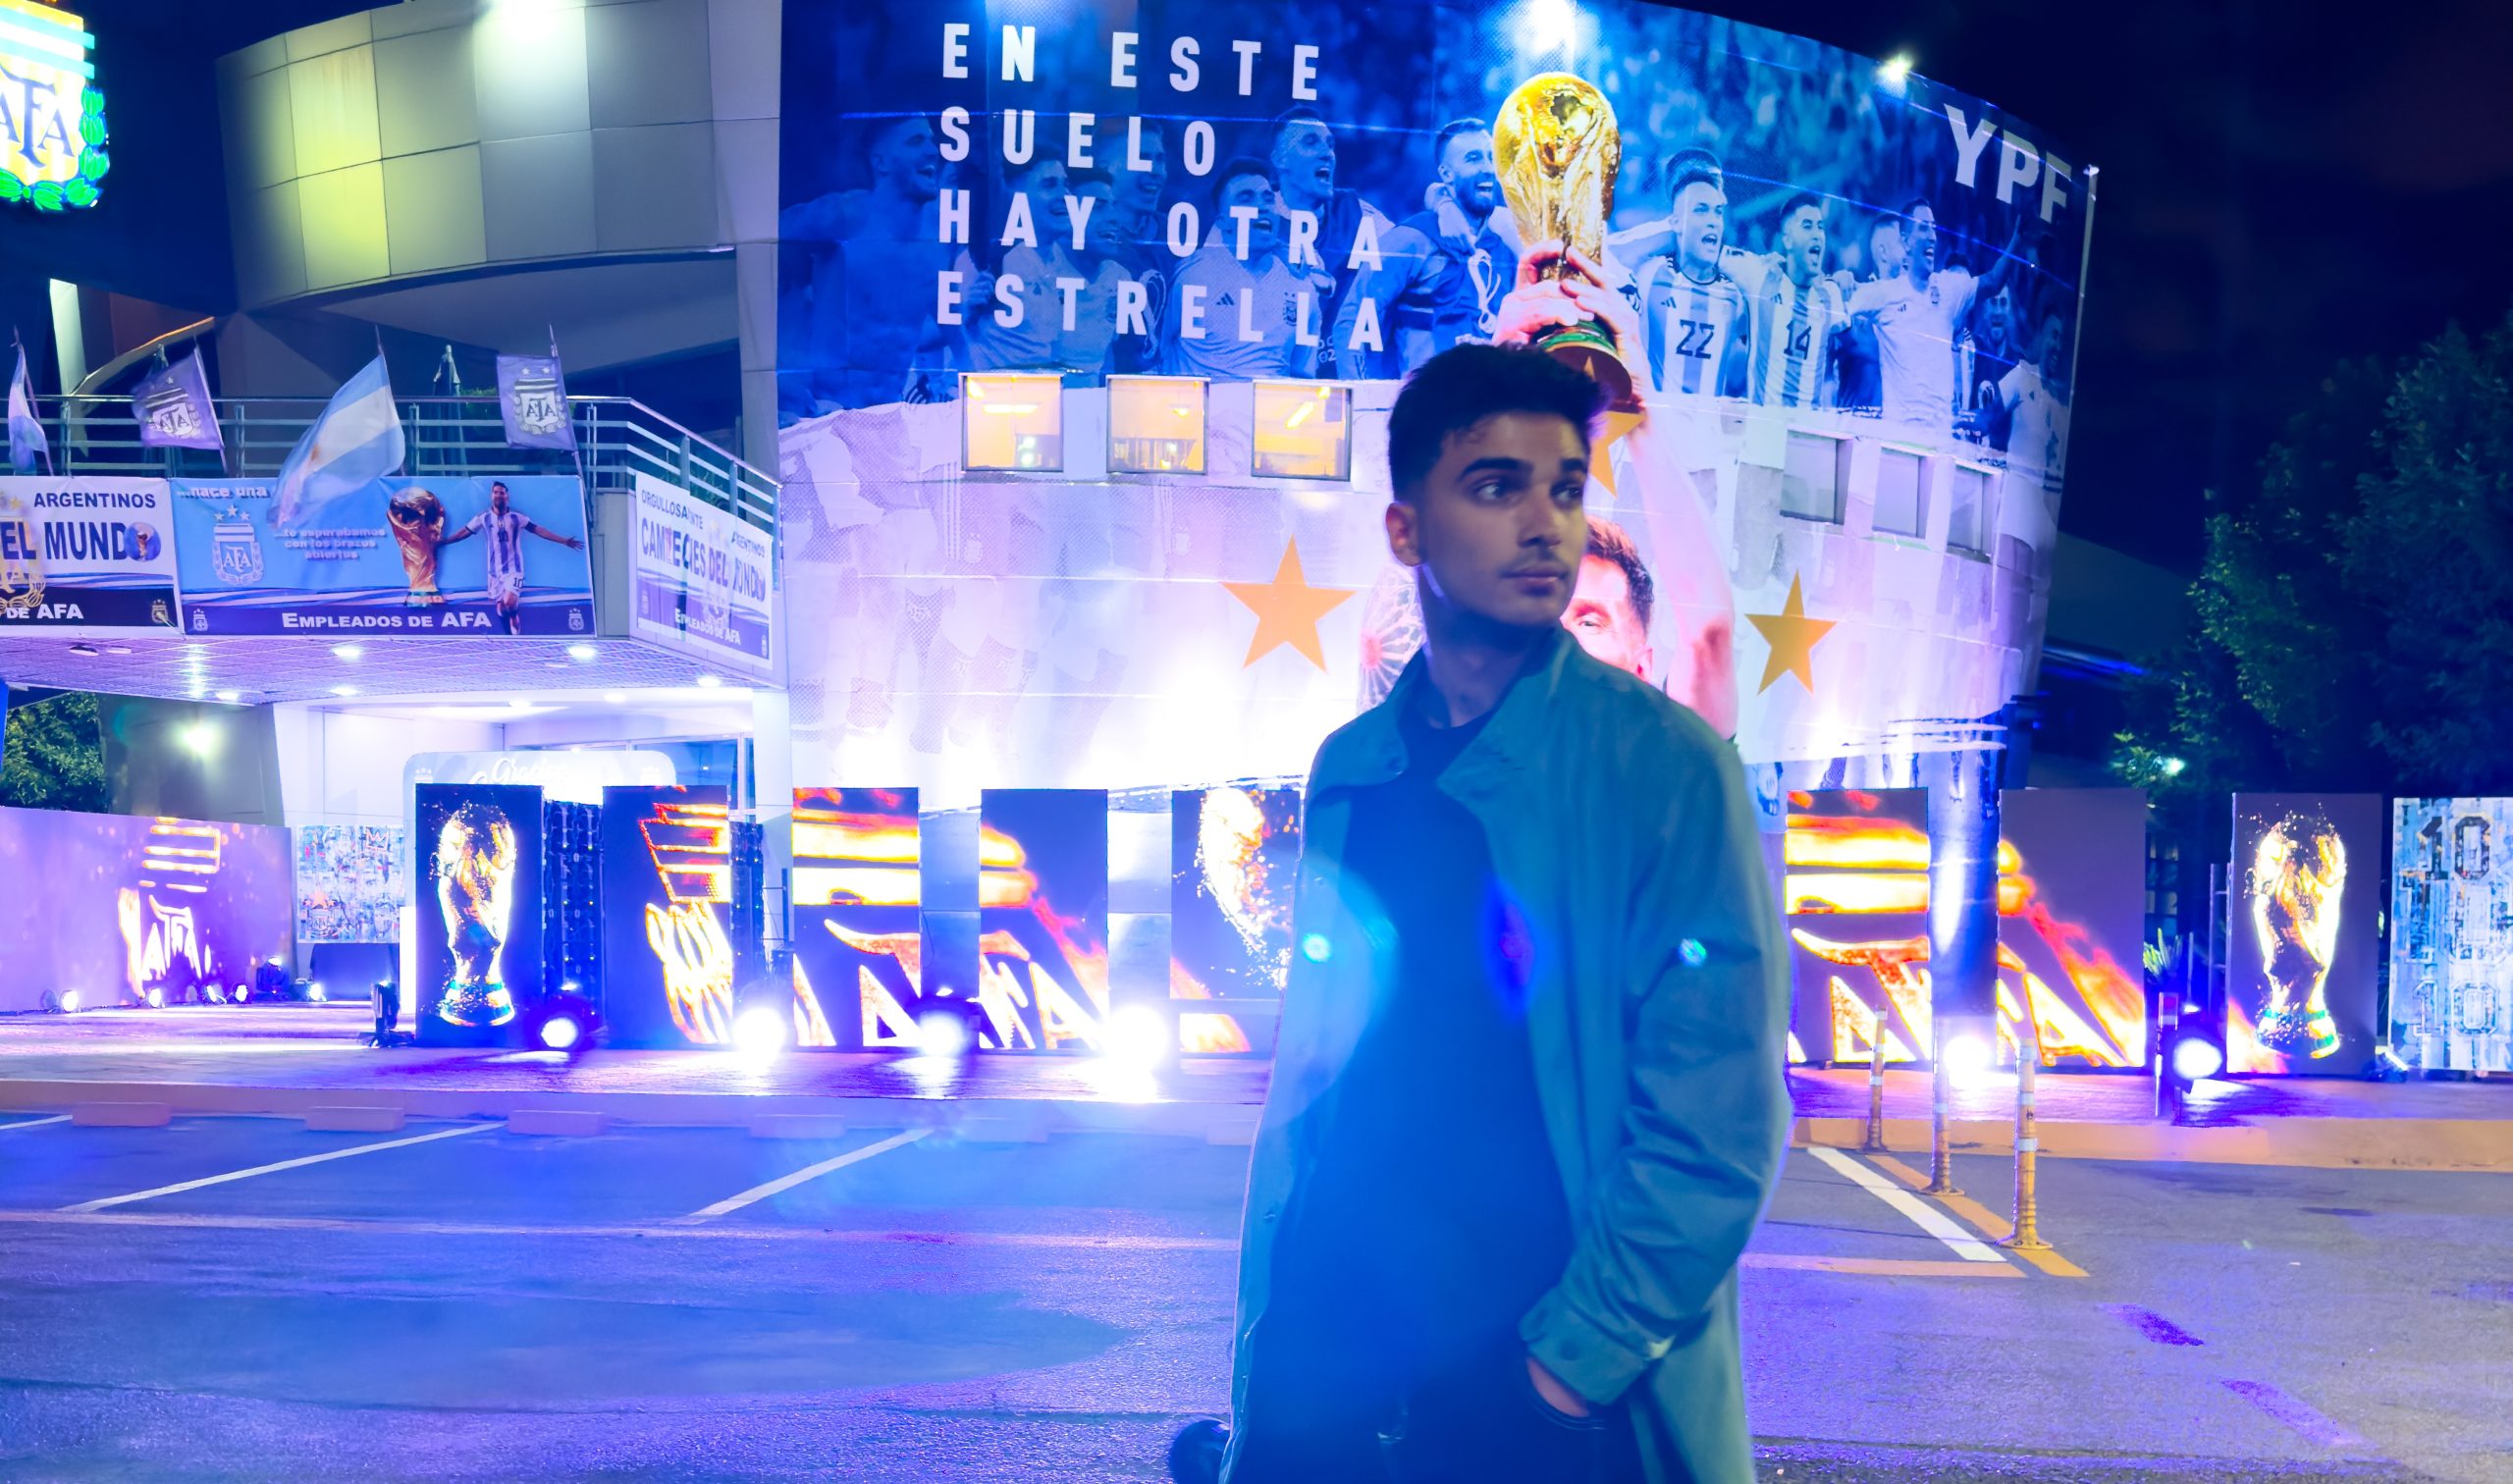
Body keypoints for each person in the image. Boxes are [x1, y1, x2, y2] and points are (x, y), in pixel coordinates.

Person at [1178, 336, 1789, 1484]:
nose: (1545, 523)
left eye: (1565, 487)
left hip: (1529, 1372)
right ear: (1406, 530)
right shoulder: (1351, 763)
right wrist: (1283, 1338)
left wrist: (1568, 1368)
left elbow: (1716, 1120)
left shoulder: (1665, 766)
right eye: (1497, 486)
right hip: (1332, 1346)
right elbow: (1323, 1078)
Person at [777, 114, 955, 410]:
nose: (932, 150)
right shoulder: (845, 215)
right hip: (825, 412)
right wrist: (792, 390)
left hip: (888, 413)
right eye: (915, 141)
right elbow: (762, 251)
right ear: (881, 162)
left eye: (932, 141)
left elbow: (905, 331)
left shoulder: (938, 242)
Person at [1333, 119, 1521, 378]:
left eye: (1491, 158)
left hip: (1491, 397)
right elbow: (1353, 319)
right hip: (1428, 398)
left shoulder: (1505, 242)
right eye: (1473, 158)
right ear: (1446, 174)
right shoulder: (1413, 238)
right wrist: (1360, 395)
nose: (1488, 168)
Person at [1847, 198, 2019, 438]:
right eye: (1923, 228)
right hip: (1897, 439)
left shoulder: (1949, 289)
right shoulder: (1885, 294)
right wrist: (1840, 279)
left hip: (1939, 441)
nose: (1932, 237)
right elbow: (1841, 300)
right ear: (1906, 241)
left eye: (1934, 228)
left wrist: (2018, 238)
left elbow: (1992, 281)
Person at [1163, 159, 1334, 381]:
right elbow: (1159, 352)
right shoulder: (1193, 276)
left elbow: (1302, 374)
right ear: (1223, 222)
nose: (1262, 207)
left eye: (1268, 199)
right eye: (1246, 199)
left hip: (1271, 403)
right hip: (1197, 402)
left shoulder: (1301, 287)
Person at [1267, 106, 1390, 376]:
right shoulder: (1253, 219)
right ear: (1280, 159)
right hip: (1271, 382)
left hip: (1339, 380)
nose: (1327, 153)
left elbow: (1415, 249)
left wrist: (1438, 197)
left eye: (1330, 145)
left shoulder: (1358, 214)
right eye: (1310, 142)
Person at [1738, 193, 1848, 409]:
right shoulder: (1759, 276)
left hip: (1809, 426)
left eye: (1820, 227)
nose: (1817, 234)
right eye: (1807, 226)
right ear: (1787, 240)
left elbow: (1854, 346)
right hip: (1764, 424)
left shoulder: (1831, 294)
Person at [437, 481, 584, 635]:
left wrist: (564, 541)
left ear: (507, 496)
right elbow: (463, 533)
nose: (498, 495)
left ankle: (514, 617)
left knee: (509, 602)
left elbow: (539, 530)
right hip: (494, 573)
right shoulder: (483, 517)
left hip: (514, 570)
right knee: (501, 608)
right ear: (491, 495)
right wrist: (443, 542)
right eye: (495, 492)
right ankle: (509, 627)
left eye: (502, 492)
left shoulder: (516, 517)